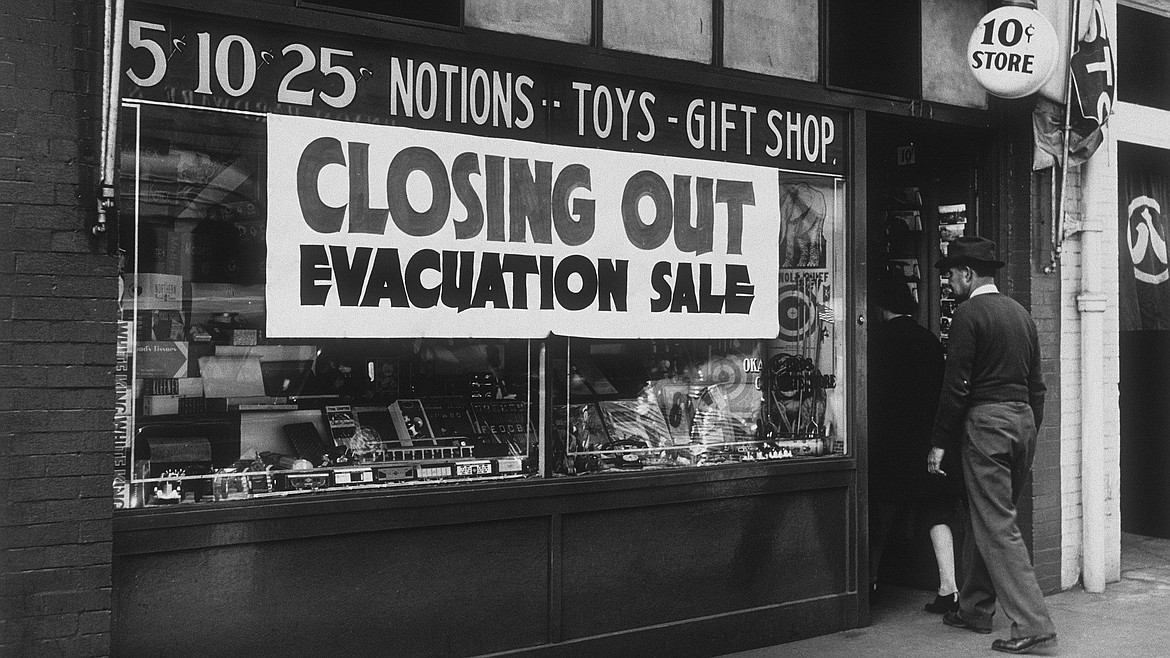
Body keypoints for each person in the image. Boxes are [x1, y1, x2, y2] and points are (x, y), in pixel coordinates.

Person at [927, 237, 1057, 655]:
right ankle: (976, 608)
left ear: (967, 274)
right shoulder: (1021, 313)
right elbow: (1037, 384)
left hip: (986, 425)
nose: (948, 281)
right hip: (1022, 423)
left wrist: (939, 443)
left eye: (950, 273)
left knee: (996, 525)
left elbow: (955, 386)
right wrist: (1028, 426)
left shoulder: (968, 314)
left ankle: (1034, 624)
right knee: (991, 517)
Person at [868, 273, 963, 614]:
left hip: (889, 442)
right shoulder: (930, 341)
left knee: (878, 516)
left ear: (880, 307)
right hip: (926, 443)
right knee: (935, 513)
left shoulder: (876, 341)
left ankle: (869, 585)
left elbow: (874, 396)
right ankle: (949, 588)